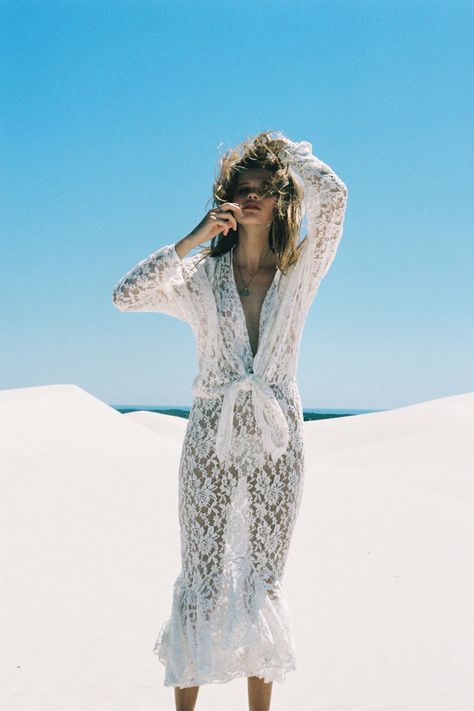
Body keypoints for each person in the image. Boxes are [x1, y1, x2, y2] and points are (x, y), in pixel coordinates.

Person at [112, 129, 348, 711]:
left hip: (278, 439)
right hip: (209, 435)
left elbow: (335, 198)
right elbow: (126, 296)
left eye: (264, 188)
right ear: (226, 200)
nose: (252, 196)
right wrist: (195, 237)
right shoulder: (200, 278)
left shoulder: (300, 270)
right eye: (242, 188)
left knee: (263, 580)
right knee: (202, 577)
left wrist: (286, 153)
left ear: (282, 198)